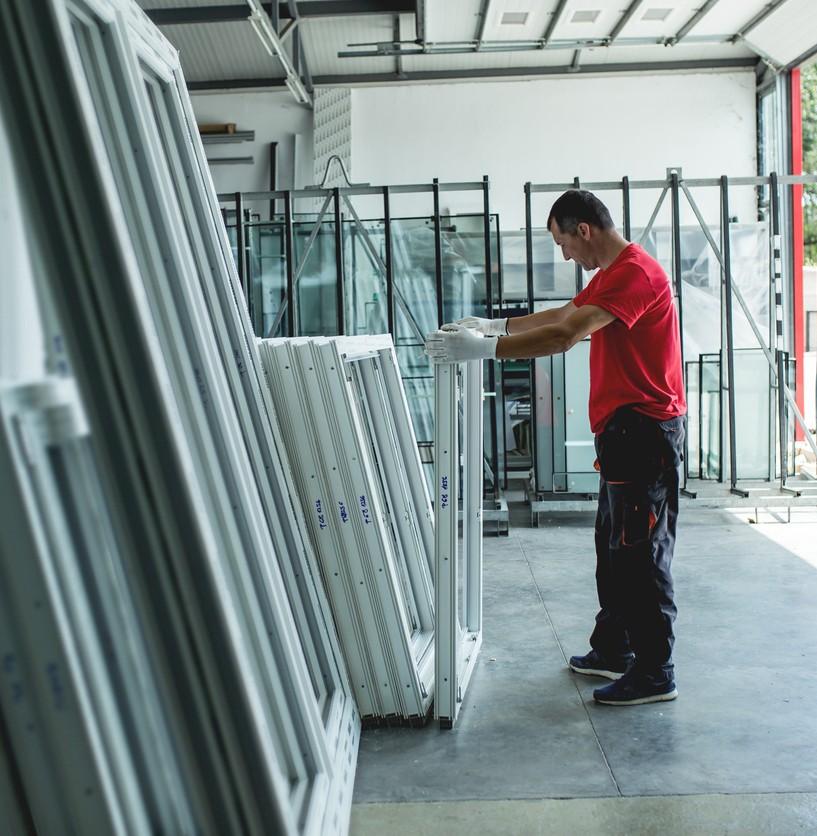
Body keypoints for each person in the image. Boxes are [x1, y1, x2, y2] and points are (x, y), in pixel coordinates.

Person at [425, 189, 686, 706]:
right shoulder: (609, 276)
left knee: (639, 555)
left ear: (583, 230)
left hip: (645, 433)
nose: (564, 254)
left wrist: (489, 350)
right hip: (621, 433)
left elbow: (567, 334)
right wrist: (495, 325)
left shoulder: (637, 273)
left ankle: (657, 673)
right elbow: (562, 313)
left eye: (562, 242)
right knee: (613, 551)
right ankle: (616, 649)